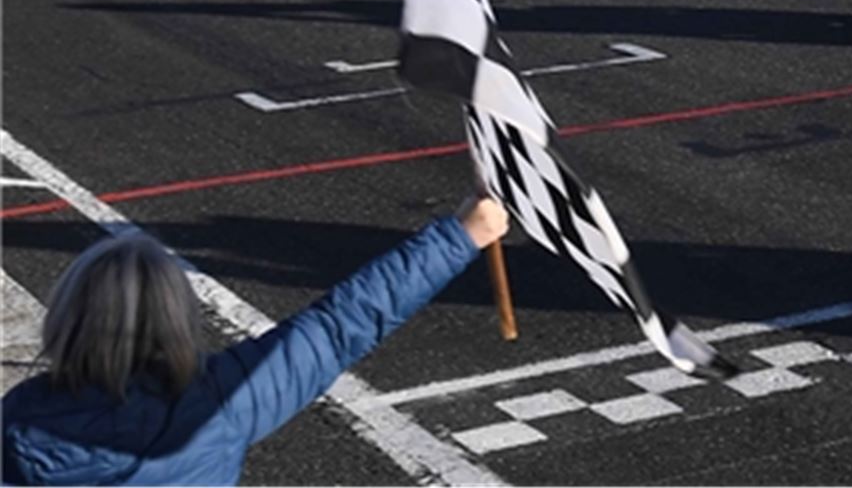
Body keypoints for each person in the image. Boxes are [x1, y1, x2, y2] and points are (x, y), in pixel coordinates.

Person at [2, 195, 509, 485]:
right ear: (178, 320)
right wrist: (462, 235)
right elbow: (339, 326)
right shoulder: (219, 401)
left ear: (68, 319)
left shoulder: (20, 421)